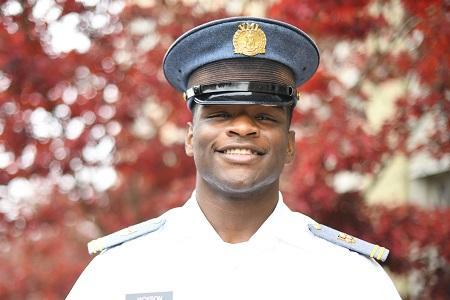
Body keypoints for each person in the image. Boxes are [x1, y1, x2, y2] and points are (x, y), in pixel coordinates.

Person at [66, 17, 401, 300]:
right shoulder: (120, 270)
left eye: (265, 117)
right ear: (190, 137)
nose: (243, 128)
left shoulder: (350, 277)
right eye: (220, 115)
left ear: (289, 145)